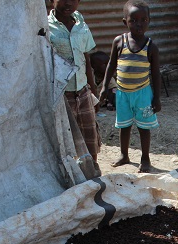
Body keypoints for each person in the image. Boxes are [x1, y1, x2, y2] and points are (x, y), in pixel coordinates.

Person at [103, 0, 162, 173]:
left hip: (143, 93)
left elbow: (156, 74)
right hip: (122, 93)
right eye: (134, 20)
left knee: (144, 127)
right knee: (124, 125)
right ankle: (124, 155)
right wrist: (104, 87)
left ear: (149, 21)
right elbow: (111, 65)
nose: (139, 24)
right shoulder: (119, 42)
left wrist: (157, 98)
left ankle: (145, 159)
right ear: (125, 22)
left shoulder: (151, 47)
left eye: (143, 20)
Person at [48, 0, 102, 168]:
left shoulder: (80, 23)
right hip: (62, 93)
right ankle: (72, 173)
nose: (68, 3)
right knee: (66, 138)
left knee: (89, 134)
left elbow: (86, 57)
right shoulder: (46, 27)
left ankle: (92, 169)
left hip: (83, 90)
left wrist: (93, 90)